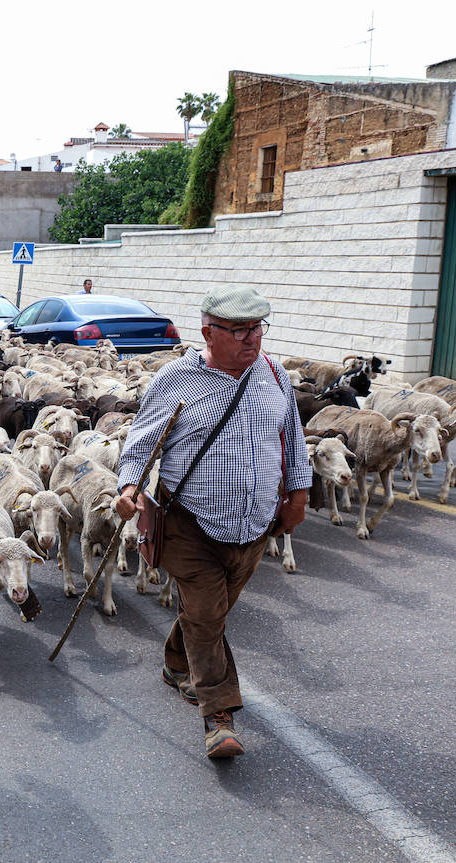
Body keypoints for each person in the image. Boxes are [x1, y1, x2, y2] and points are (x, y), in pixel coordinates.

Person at [114, 285, 310, 759]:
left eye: (257, 328)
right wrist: (127, 488)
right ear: (208, 331)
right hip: (189, 522)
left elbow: (293, 438)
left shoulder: (275, 376)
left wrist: (298, 494)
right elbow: (141, 441)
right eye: (239, 330)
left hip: (254, 525)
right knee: (206, 612)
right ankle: (218, 717)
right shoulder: (177, 378)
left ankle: (176, 663)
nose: (251, 339)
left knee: (212, 613)